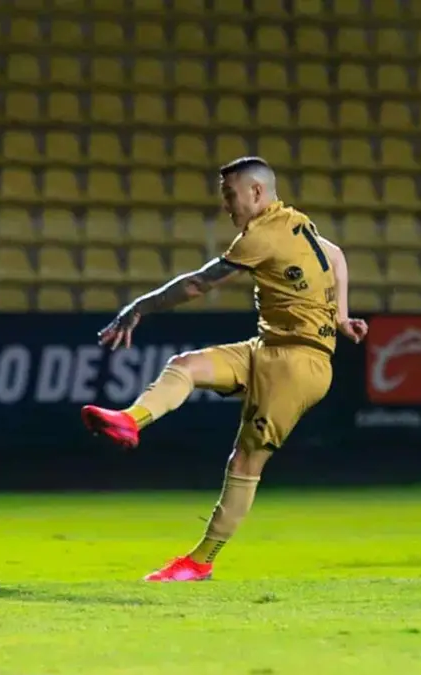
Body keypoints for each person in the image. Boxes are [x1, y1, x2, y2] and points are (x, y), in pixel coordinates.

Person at [81, 156, 369, 582]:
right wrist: (341, 318)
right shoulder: (296, 223)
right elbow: (336, 255)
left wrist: (139, 306)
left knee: (246, 461)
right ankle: (130, 420)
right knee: (186, 365)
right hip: (266, 346)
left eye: (230, 195)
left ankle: (200, 561)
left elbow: (197, 283)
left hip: (299, 364)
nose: (226, 205)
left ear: (256, 192)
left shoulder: (262, 234)